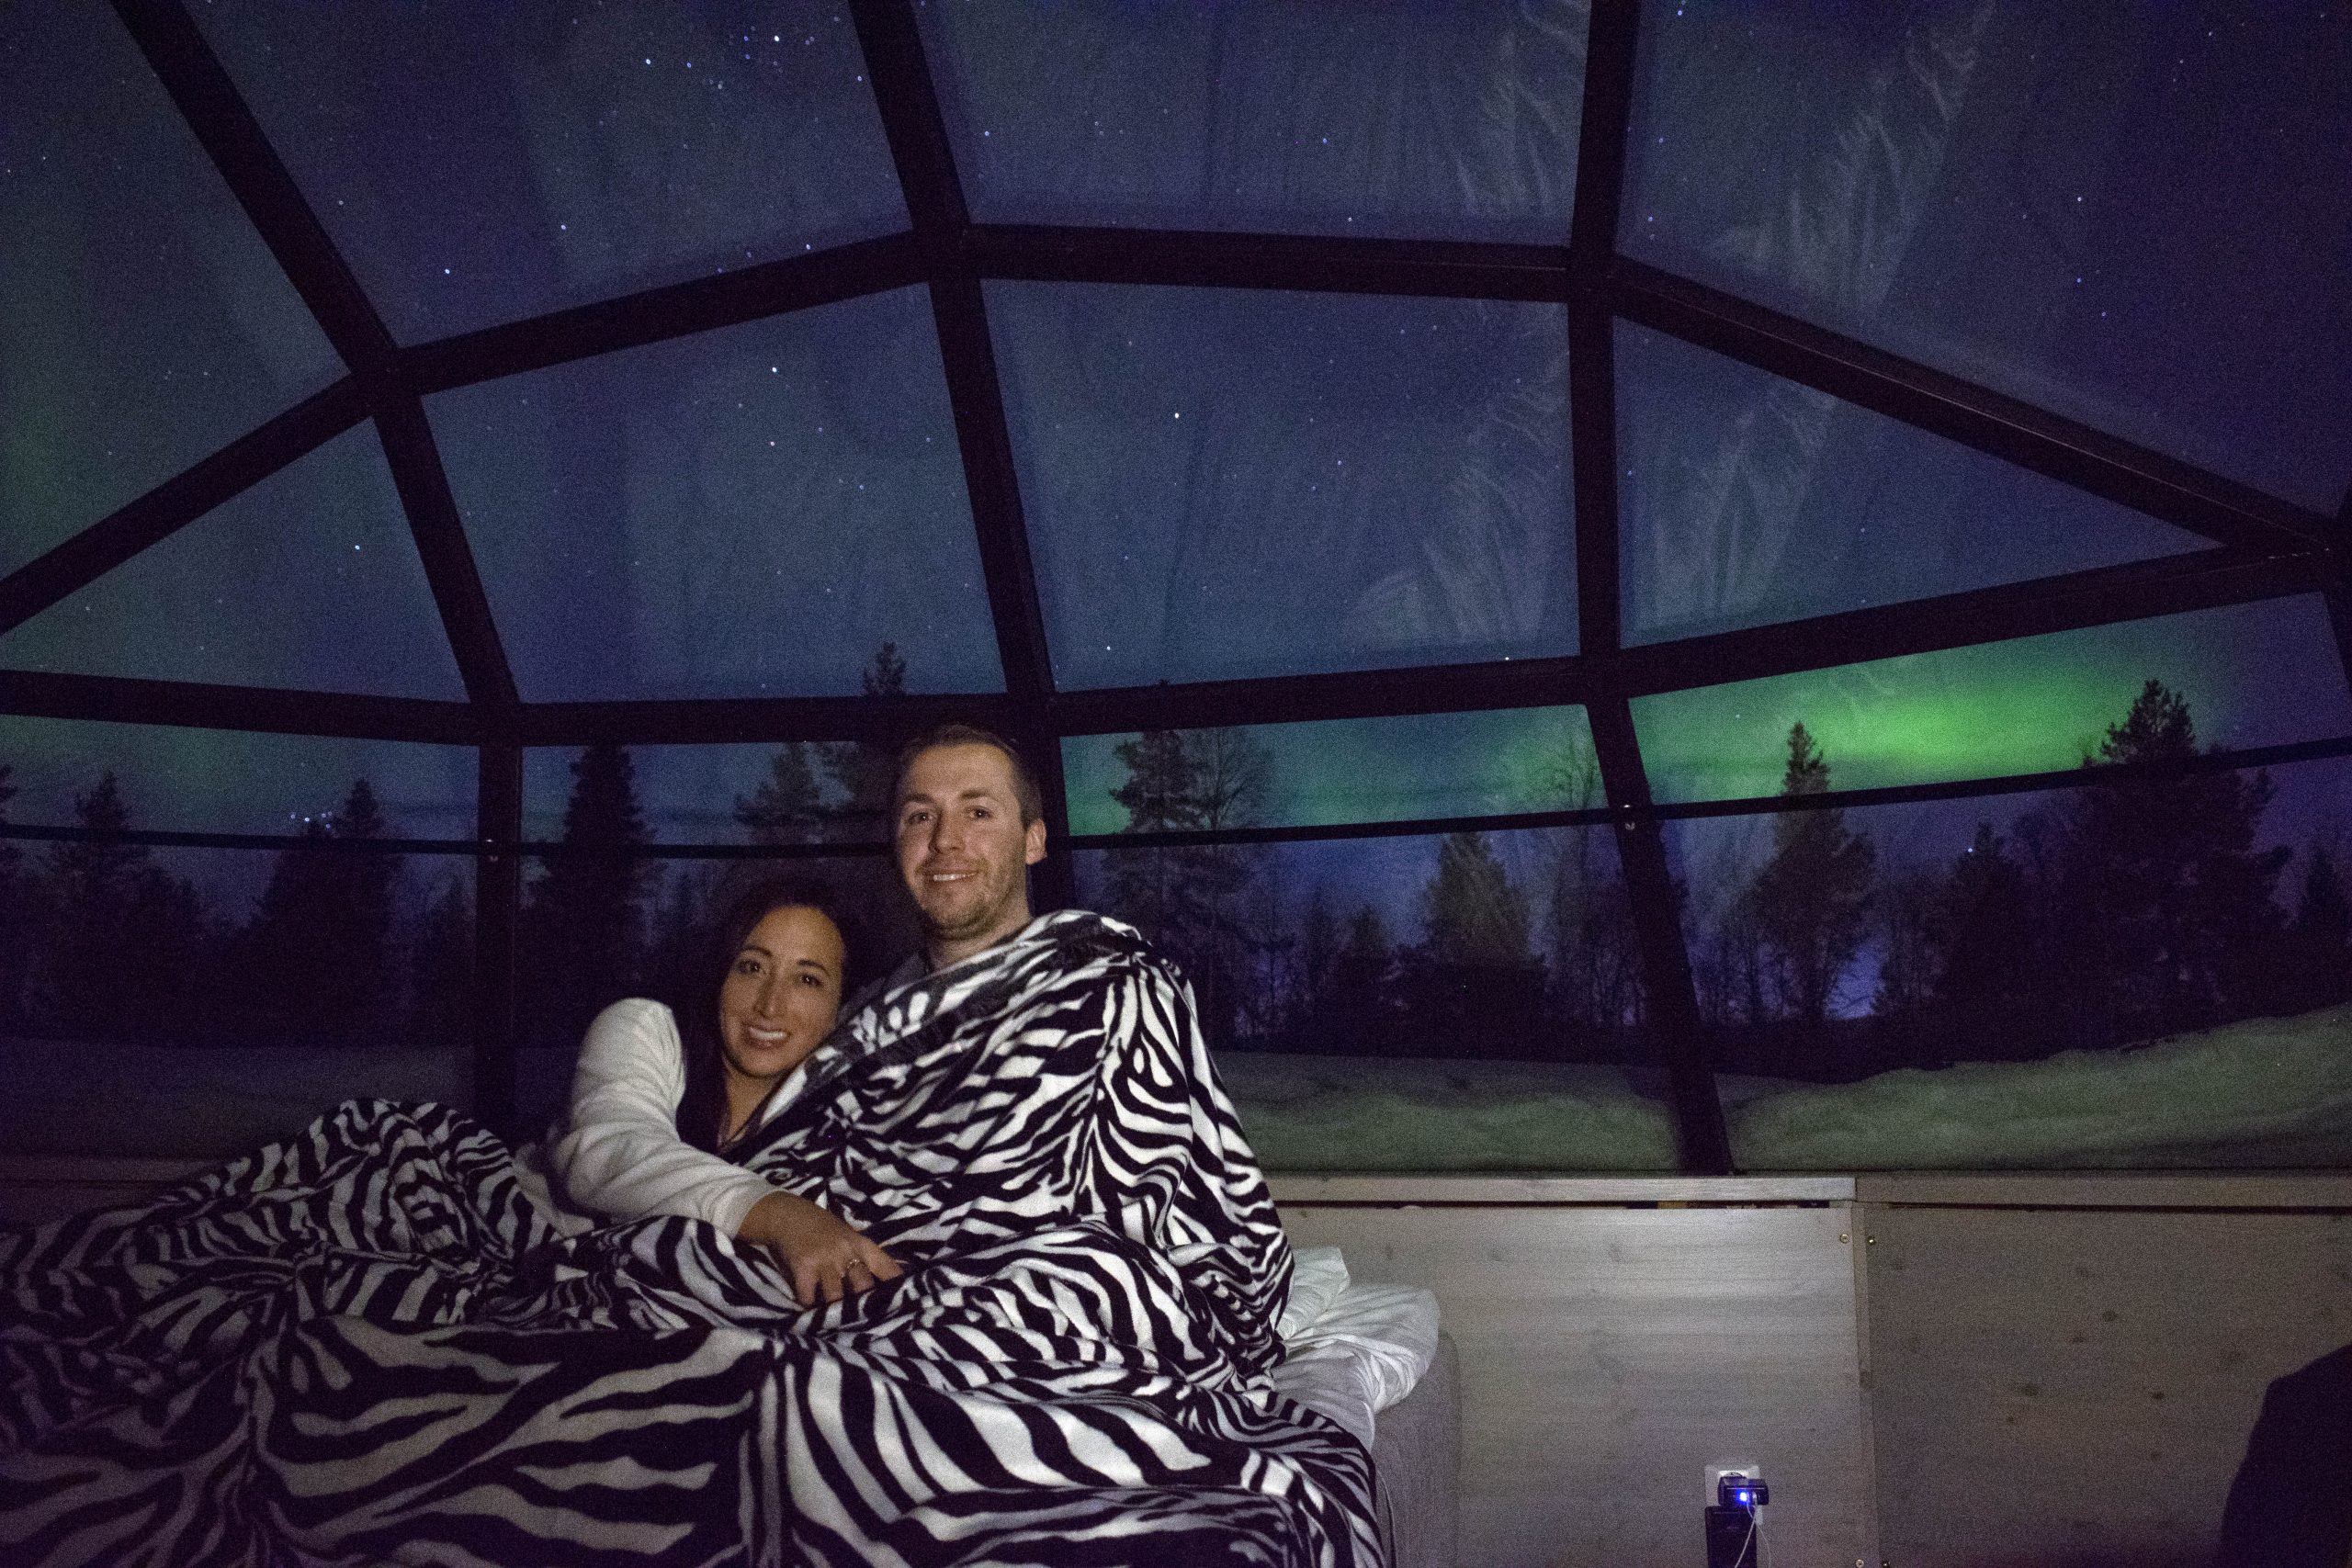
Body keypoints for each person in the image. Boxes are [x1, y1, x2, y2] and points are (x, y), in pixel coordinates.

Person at [544, 875, 902, 1307]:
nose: (770, 1005)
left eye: (807, 980)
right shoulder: (644, 1028)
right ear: (719, 974)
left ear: (841, 1009)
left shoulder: (845, 1116)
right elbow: (605, 1154)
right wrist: (782, 1216)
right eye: (751, 967)